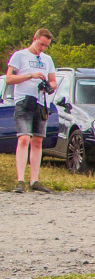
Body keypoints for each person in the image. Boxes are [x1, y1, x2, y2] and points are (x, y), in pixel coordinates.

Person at [6, 28, 58, 193]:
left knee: (37, 141)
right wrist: (30, 75)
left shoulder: (47, 59)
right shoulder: (19, 56)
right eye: (41, 44)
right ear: (34, 38)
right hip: (24, 102)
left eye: (46, 46)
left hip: (41, 103)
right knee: (23, 139)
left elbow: (53, 81)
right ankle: (20, 180)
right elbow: (9, 79)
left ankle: (34, 180)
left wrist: (49, 87)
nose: (42, 48)